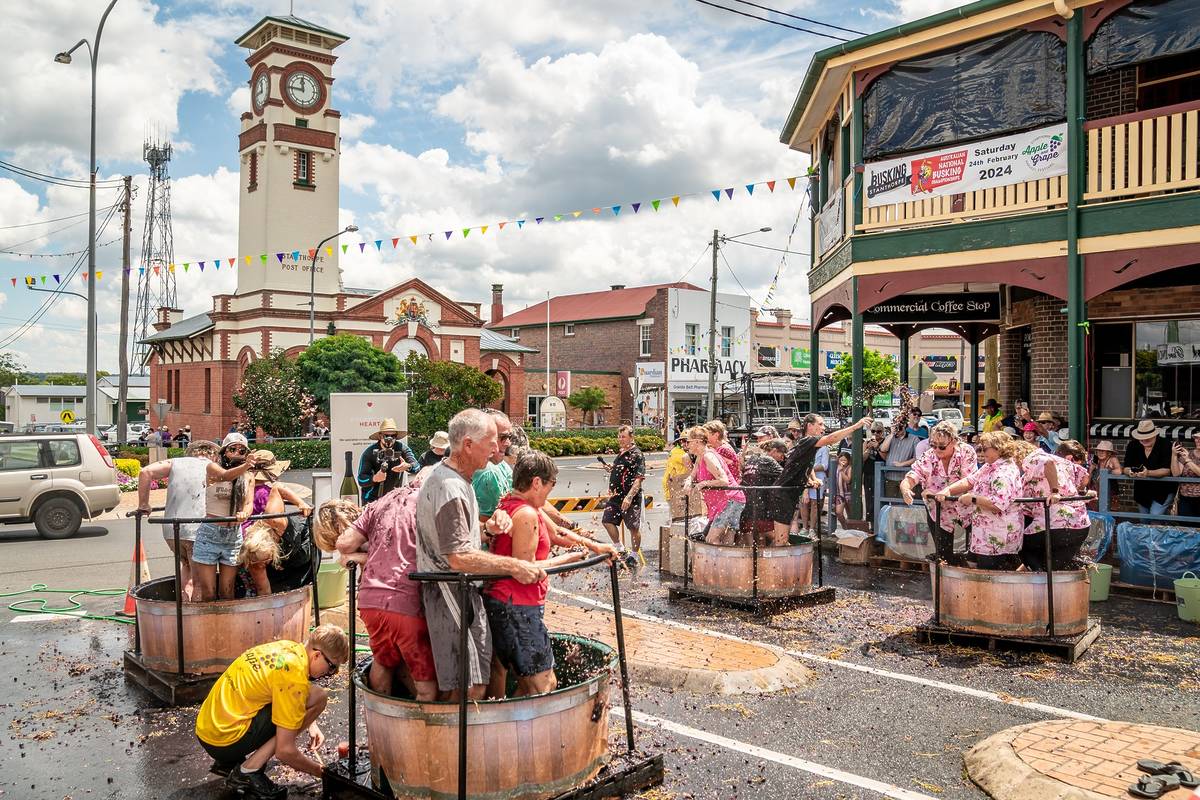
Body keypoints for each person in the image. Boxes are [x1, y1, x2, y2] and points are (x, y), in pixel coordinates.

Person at [415, 408, 544, 700]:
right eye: (491, 441)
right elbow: (458, 557)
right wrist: (515, 567)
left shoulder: (460, 482)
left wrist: (489, 532)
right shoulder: (450, 488)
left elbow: (461, 541)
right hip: (451, 594)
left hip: (460, 594)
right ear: (468, 445)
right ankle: (456, 746)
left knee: (476, 681)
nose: (497, 448)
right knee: (469, 687)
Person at [194, 625, 349, 797]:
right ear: (317, 655)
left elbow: (284, 689)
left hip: (208, 730)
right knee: (319, 697)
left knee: (312, 696)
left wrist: (311, 723)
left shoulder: (288, 649)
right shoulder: (294, 677)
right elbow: (285, 752)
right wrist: (324, 774)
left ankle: (228, 762)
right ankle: (248, 771)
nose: (331, 673)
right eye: (332, 667)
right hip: (223, 741)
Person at [485, 450, 585, 697]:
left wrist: (589, 546)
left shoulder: (508, 503)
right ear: (537, 482)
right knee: (543, 684)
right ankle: (521, 733)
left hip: (500, 601)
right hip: (517, 605)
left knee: (506, 673)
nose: (551, 491)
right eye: (552, 484)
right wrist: (569, 559)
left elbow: (556, 535)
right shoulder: (527, 513)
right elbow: (524, 569)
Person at [333, 470, 438, 701]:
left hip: (370, 600)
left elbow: (343, 544)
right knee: (426, 684)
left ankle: (381, 726)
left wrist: (373, 552)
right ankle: (424, 734)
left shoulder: (380, 502)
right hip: (406, 602)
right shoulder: (429, 502)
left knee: (382, 661)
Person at [136, 440, 242, 601]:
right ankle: (196, 618)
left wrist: (144, 504)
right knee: (199, 582)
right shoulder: (210, 466)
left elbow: (145, 472)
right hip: (197, 529)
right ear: (213, 455)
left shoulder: (175, 463)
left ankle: (183, 609)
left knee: (185, 566)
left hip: (172, 529)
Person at [772, 414, 872, 545]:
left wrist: (811, 480)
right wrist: (857, 426)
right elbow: (832, 438)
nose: (823, 428)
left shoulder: (806, 444)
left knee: (783, 539)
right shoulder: (808, 440)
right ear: (809, 426)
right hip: (783, 494)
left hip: (788, 494)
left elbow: (805, 466)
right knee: (781, 540)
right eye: (820, 424)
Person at [933, 431, 1024, 570]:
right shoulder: (989, 466)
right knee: (973, 563)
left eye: (985, 448)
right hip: (983, 532)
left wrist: (972, 499)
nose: (982, 451)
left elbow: (998, 504)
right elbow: (970, 480)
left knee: (989, 571)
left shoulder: (1004, 472)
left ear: (999, 448)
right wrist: (948, 490)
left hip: (997, 533)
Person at [899, 420, 977, 563]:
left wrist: (947, 491)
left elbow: (970, 480)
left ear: (953, 441)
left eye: (941, 447)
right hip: (938, 509)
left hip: (966, 506)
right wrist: (905, 490)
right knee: (943, 554)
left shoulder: (967, 451)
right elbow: (913, 474)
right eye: (933, 445)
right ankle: (944, 581)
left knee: (975, 552)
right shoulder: (929, 455)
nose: (937, 450)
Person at [192, 433, 257, 601]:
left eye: (242, 450)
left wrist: (245, 513)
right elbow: (225, 476)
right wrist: (246, 465)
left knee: (228, 591)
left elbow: (249, 503)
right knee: (209, 591)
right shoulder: (212, 468)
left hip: (233, 535)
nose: (237, 452)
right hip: (210, 533)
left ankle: (226, 625)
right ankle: (209, 624)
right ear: (223, 452)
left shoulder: (248, 476)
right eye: (232, 449)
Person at [1018, 439, 1094, 571]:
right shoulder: (1069, 465)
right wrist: (1084, 492)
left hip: (1054, 523)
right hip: (1081, 524)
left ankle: (1036, 576)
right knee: (1051, 567)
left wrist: (1054, 492)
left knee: (1018, 543)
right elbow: (1084, 477)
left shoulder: (1038, 460)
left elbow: (1048, 464)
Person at [683, 426, 746, 545]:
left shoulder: (708, 456)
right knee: (726, 539)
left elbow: (724, 480)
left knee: (711, 539)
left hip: (730, 500)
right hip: (726, 501)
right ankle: (726, 563)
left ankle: (717, 563)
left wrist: (703, 483)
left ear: (697, 442)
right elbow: (692, 474)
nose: (686, 445)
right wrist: (688, 482)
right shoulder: (700, 456)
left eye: (688, 442)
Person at [601, 425, 645, 566]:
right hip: (615, 497)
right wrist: (611, 469)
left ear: (631, 437)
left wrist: (629, 497)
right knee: (607, 521)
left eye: (623, 437)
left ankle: (634, 555)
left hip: (630, 497)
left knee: (633, 527)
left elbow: (638, 478)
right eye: (619, 436)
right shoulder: (621, 452)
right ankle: (620, 548)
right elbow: (620, 471)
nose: (620, 439)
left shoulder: (637, 455)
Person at [1123, 419, 1179, 515]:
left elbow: (1167, 470)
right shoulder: (1133, 445)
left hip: (1163, 490)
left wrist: (1148, 473)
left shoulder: (1165, 444)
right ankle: (1164, 525)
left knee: (1154, 517)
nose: (1144, 440)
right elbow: (1125, 468)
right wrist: (1130, 472)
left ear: (1154, 435)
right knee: (1144, 520)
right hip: (1142, 490)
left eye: (1147, 437)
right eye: (1141, 437)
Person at [358, 419, 420, 504]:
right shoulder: (370, 452)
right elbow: (361, 480)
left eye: (393, 436)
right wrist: (375, 478)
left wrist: (408, 466)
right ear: (380, 436)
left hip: (394, 499)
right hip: (372, 500)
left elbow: (417, 467)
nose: (389, 439)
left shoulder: (401, 448)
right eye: (386, 435)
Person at [472, 410, 516, 525]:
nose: (508, 443)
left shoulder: (500, 463)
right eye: (502, 437)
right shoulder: (488, 472)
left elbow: (524, 495)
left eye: (509, 437)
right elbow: (488, 522)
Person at [741, 439, 787, 543]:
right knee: (780, 539)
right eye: (782, 454)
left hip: (747, 508)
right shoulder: (768, 460)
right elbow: (787, 477)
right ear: (774, 451)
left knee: (757, 541)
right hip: (762, 509)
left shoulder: (753, 458)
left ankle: (755, 559)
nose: (782, 458)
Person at [800, 445, 829, 536]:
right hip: (804, 476)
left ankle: (812, 529)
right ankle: (804, 528)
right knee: (803, 502)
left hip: (818, 477)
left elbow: (824, 466)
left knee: (815, 503)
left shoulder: (824, 449)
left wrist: (809, 468)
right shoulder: (806, 446)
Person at [1175, 432, 1200, 519]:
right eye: (1196, 438)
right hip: (1185, 498)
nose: (1198, 440)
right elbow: (1176, 473)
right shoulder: (1188, 454)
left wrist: (1188, 460)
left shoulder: (1187, 457)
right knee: (1185, 527)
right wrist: (1174, 455)